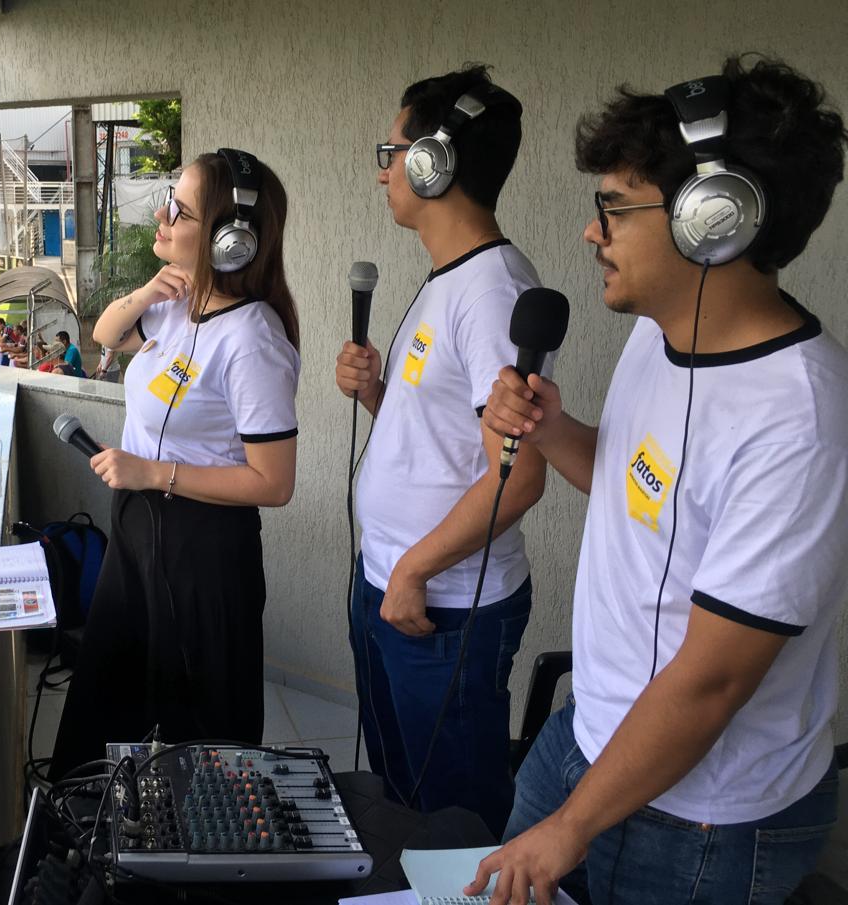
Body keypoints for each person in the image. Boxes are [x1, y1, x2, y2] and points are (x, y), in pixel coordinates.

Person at [474, 56, 848, 905]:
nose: (590, 233)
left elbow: (713, 678)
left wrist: (571, 825)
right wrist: (551, 428)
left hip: (704, 816)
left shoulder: (802, 418)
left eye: (613, 207)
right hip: (585, 739)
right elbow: (636, 484)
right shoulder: (658, 332)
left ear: (713, 222)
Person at [335, 65, 548, 836]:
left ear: (434, 163)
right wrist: (374, 398)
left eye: (393, 151)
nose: (385, 169)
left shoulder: (493, 291)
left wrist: (415, 569)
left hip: (441, 607)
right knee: (400, 798)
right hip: (396, 585)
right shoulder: (447, 281)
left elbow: (518, 477)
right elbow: (449, 443)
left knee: (454, 817)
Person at [49, 148, 300, 779]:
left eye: (180, 211)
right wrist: (143, 292)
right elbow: (105, 335)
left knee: (200, 727)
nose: (161, 217)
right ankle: (94, 839)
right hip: (138, 527)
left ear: (230, 239)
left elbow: (274, 483)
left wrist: (153, 474)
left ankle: (199, 863)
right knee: (110, 693)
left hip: (204, 551)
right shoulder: (172, 305)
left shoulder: (254, 340)